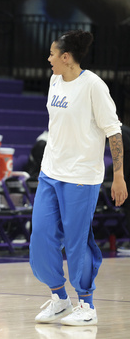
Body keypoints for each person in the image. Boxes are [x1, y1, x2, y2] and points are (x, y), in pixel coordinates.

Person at [30, 30, 127, 326]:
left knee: (76, 242)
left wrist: (119, 175)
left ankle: (87, 305)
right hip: (50, 172)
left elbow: (114, 132)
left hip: (82, 177)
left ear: (66, 57)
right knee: (41, 238)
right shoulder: (54, 80)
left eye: (52, 54)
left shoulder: (94, 86)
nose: (48, 59)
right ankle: (59, 299)